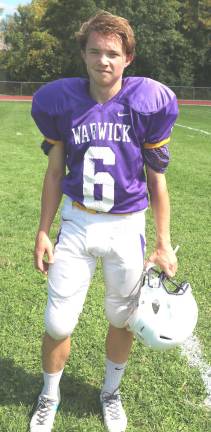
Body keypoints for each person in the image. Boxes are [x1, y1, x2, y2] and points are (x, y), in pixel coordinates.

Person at [30, 10, 178, 432]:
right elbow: (55, 173)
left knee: (121, 317)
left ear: (128, 57)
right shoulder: (63, 102)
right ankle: (49, 395)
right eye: (95, 51)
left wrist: (163, 241)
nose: (103, 61)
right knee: (58, 321)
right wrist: (44, 228)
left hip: (126, 225)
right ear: (83, 54)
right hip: (77, 222)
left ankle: (110, 393)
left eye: (113, 53)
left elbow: (157, 183)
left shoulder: (145, 103)